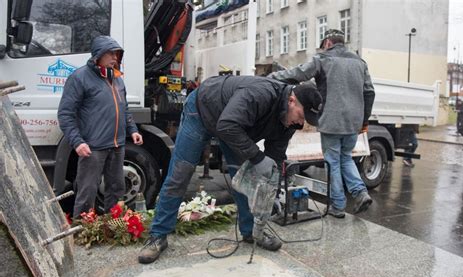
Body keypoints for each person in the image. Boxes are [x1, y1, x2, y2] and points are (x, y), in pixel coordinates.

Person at [138, 75, 321, 264]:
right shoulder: (260, 94)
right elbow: (227, 126)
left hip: (233, 126)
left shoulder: (289, 122)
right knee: (180, 173)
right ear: (291, 101)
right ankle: (158, 236)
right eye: (301, 116)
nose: (300, 124)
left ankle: (251, 232)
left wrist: (270, 191)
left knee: (244, 178)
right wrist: (257, 157)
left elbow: (273, 160)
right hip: (203, 110)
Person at [268, 29, 376, 218]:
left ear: (327, 43)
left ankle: (337, 206)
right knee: (346, 158)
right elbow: (369, 92)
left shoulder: (323, 59)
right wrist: (364, 120)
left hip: (331, 120)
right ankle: (360, 193)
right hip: (353, 121)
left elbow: (298, 74)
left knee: (333, 162)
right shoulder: (360, 62)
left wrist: (270, 78)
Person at [58, 36, 143, 218]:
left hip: (117, 145)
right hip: (93, 147)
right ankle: (82, 231)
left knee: (116, 188)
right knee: (87, 191)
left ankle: (114, 226)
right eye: (110, 53)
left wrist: (133, 130)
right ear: (98, 55)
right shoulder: (80, 78)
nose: (115, 58)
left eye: (117, 54)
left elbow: (124, 108)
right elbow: (66, 114)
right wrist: (77, 142)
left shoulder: (117, 79)